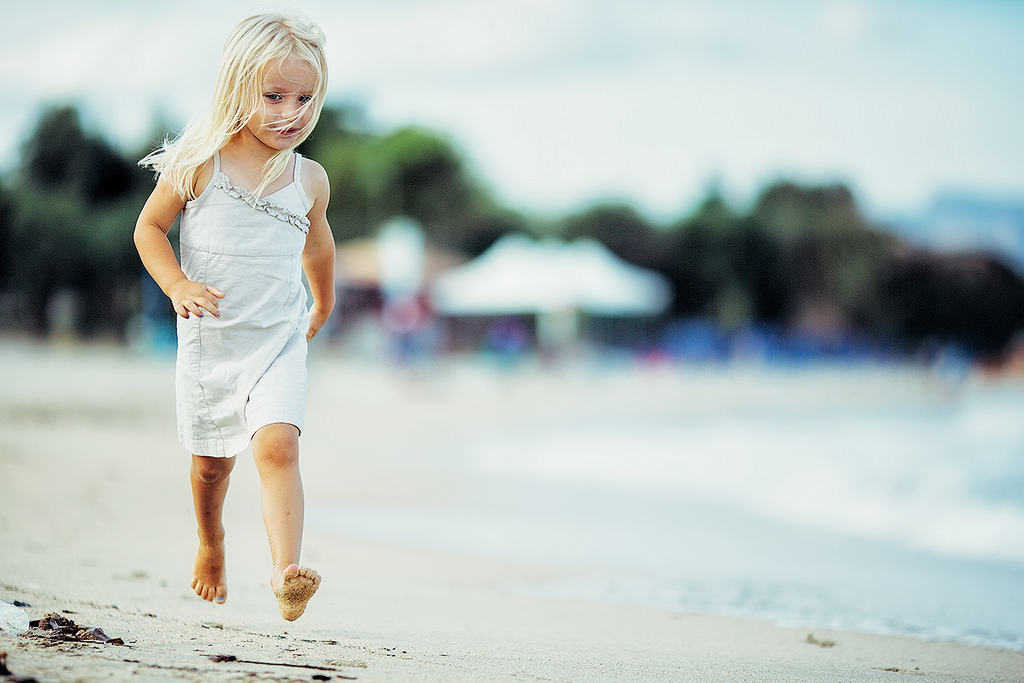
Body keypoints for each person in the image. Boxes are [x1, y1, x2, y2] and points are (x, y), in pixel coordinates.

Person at [133, 12, 335, 622]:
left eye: (305, 99)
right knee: (212, 465)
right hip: (212, 341)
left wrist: (322, 298)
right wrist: (178, 284)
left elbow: (318, 244)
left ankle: (285, 573)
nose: (290, 113)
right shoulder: (200, 162)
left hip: (277, 338)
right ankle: (211, 542)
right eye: (274, 96)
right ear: (237, 89)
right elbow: (148, 228)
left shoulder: (309, 178)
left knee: (277, 446)